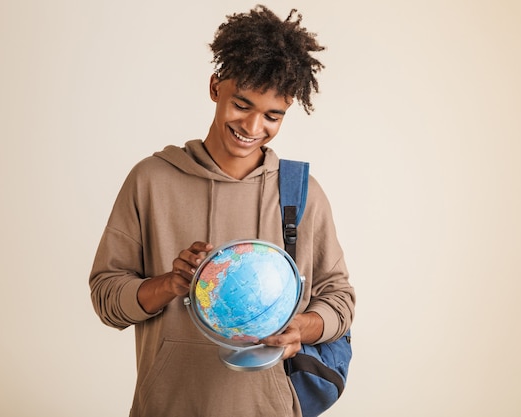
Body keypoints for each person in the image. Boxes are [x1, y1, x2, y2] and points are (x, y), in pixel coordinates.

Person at [89, 5, 355, 417]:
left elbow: (339, 299)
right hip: (167, 405)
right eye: (242, 104)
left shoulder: (300, 193)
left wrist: (300, 328)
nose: (252, 127)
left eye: (272, 116)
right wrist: (170, 284)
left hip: (267, 408)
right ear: (215, 87)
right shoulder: (151, 180)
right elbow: (107, 297)